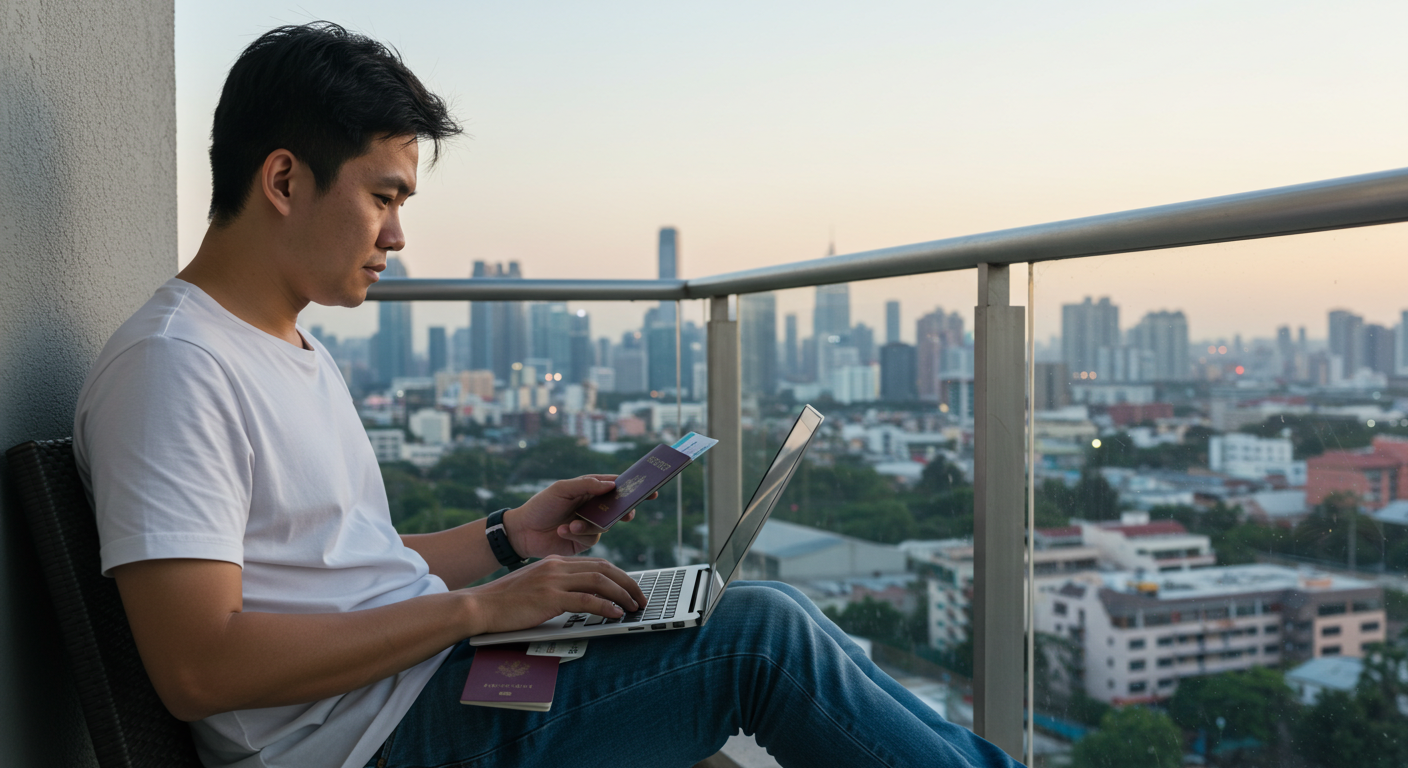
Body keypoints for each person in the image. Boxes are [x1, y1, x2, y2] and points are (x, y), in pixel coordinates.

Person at [74, 22, 1021, 768]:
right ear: (283, 178)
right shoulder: (176, 366)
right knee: (761, 637)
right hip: (382, 740)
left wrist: (506, 540)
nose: (398, 235)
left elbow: (333, 568)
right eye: (384, 196)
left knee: (780, 639)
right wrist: (485, 611)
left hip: (434, 686)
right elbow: (199, 667)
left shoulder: (291, 351)